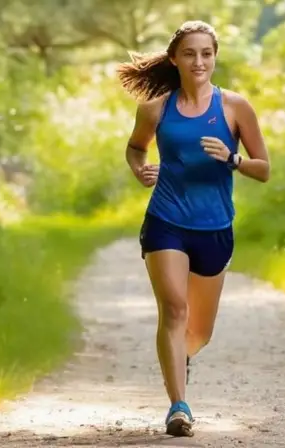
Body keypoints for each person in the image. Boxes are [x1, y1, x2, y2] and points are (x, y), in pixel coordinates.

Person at [115, 20, 271, 438]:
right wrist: (139, 169)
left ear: (214, 57)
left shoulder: (235, 107)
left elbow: (264, 169)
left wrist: (233, 159)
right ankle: (178, 408)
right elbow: (135, 147)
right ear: (175, 59)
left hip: (215, 228)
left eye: (206, 53)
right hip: (166, 221)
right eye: (189, 53)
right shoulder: (155, 108)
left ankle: (181, 357)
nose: (198, 61)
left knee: (198, 332)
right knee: (174, 310)